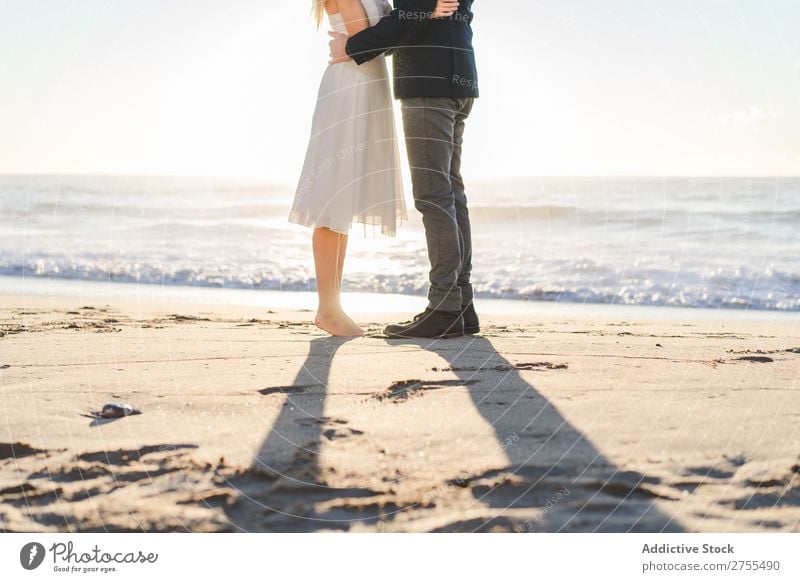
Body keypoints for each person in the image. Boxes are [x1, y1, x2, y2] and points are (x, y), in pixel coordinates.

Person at [288, 0, 458, 337]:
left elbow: (379, 40)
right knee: (331, 197)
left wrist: (418, 14)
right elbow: (366, 37)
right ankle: (328, 309)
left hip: (368, 83)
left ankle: (332, 307)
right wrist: (423, 12)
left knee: (344, 198)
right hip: (348, 87)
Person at [329, 0, 480, 339]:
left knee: (433, 195)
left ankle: (444, 307)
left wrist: (350, 46)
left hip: (429, 81)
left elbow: (408, 17)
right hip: (460, 76)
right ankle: (461, 305)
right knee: (451, 193)